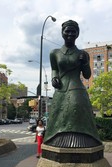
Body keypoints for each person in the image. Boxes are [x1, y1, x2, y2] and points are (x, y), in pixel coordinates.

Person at [43, 20, 102, 148]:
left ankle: (83, 141)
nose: (70, 34)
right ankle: (55, 140)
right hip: (61, 88)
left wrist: (85, 63)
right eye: (67, 31)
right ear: (62, 33)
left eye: (73, 31)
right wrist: (54, 79)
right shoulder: (54, 53)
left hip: (76, 87)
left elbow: (87, 75)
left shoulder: (83, 53)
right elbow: (54, 69)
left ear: (77, 34)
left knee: (77, 109)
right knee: (57, 114)